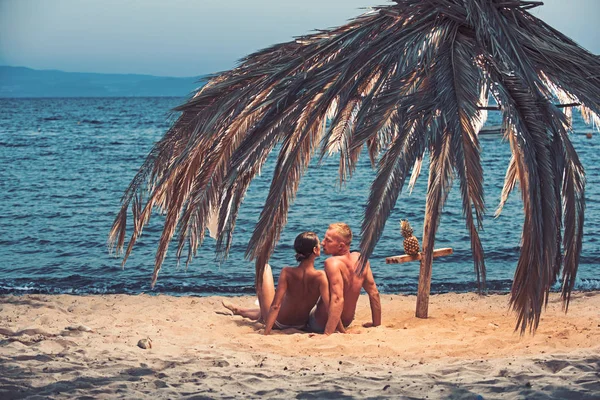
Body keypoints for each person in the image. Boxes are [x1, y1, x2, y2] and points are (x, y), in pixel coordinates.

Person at [222, 232, 330, 335]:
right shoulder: (321, 276)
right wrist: (338, 330)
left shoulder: (287, 272)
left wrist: (267, 331)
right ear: (315, 250)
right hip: (301, 325)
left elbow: (275, 306)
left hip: (279, 323)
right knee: (270, 308)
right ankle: (241, 311)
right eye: (319, 244)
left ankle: (247, 313)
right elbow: (329, 306)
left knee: (263, 267)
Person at [308, 222, 381, 335]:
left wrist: (327, 334)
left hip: (320, 322)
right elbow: (374, 293)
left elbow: (337, 299)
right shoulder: (361, 259)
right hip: (347, 321)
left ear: (341, 246)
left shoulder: (332, 263)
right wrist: (376, 324)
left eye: (328, 240)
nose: (322, 243)